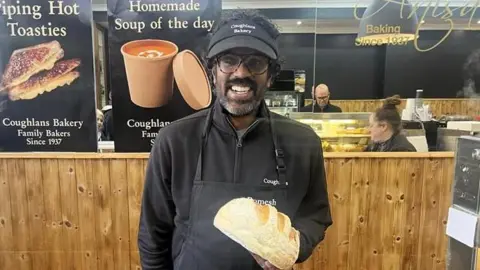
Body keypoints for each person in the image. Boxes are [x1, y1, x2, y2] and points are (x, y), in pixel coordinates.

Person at [138, 9, 333, 270]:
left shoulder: (303, 142)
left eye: (255, 62)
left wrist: (293, 248)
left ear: (271, 75)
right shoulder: (175, 141)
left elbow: (315, 214)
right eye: (228, 60)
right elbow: (153, 234)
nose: (241, 73)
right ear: (212, 71)